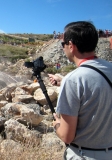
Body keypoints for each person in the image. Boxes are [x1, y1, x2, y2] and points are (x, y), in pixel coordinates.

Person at [48, 21, 112, 159]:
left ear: (71, 45)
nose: (63, 48)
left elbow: (67, 136)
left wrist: (56, 125)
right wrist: (63, 80)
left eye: (63, 44)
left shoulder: (73, 80)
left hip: (85, 155)